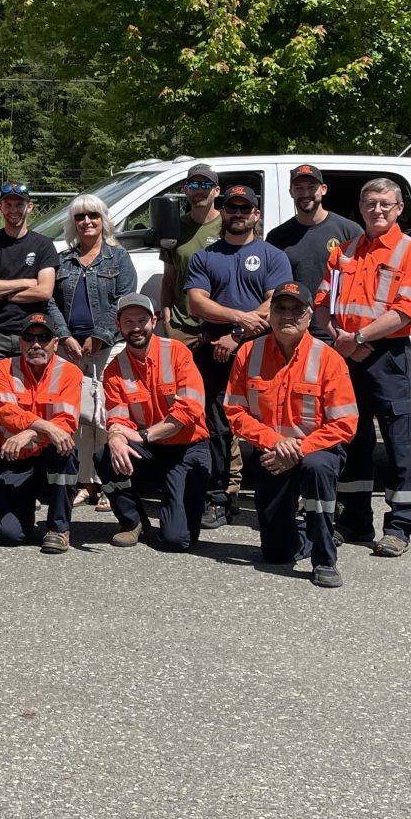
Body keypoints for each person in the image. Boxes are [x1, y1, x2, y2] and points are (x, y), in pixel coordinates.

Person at [319, 177, 411, 557]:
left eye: (385, 204)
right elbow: (322, 301)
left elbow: (405, 311)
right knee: (352, 438)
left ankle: (400, 526)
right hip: (346, 355)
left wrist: (359, 339)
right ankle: (354, 520)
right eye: (371, 203)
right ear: (361, 207)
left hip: (387, 356)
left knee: (400, 442)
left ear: (399, 208)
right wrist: (341, 339)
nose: (377, 210)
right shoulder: (345, 251)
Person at [224, 283, 360, 588]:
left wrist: (299, 450)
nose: (288, 316)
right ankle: (304, 535)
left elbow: (345, 423)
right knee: (275, 553)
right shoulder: (249, 353)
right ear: (269, 315)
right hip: (272, 453)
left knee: (316, 469)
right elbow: (235, 411)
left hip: (317, 451)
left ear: (309, 315)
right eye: (280, 309)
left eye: (296, 310)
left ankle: (324, 559)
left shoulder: (328, 359)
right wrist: (276, 444)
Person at [185, 183, 293, 530]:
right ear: (223, 211)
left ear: (256, 215)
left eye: (245, 209)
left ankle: (274, 499)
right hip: (214, 353)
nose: (238, 214)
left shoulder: (272, 255)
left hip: (262, 353)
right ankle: (220, 498)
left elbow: (274, 303)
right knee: (216, 427)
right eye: (232, 208)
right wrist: (240, 319)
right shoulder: (206, 256)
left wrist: (236, 334)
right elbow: (197, 302)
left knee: (268, 423)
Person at [95, 292, 210, 551]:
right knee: (105, 455)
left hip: (187, 447)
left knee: (177, 540)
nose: (135, 327)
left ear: (154, 321)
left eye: (141, 320)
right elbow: (117, 417)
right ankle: (132, 521)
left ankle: (176, 510)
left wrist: (145, 436)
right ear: (119, 326)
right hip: (150, 447)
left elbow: (189, 410)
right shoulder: (115, 369)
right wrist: (115, 436)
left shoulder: (178, 352)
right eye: (128, 322)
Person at [48, 192, 137, 506]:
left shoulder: (119, 258)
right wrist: (65, 336)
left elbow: (124, 298)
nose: (87, 222)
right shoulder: (64, 260)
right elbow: (50, 301)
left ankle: (109, 483)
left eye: (93, 216)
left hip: (108, 346)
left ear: (103, 220)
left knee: (105, 414)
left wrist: (100, 335)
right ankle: (85, 482)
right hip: (71, 349)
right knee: (76, 416)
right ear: (73, 223)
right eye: (80, 217)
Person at [0, 312, 83, 553]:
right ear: (20, 342)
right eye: (29, 337)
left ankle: (59, 529)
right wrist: (44, 426)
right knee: (8, 535)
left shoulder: (70, 373)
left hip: (50, 457)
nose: (36, 344)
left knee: (66, 450)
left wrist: (29, 432)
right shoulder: (2, 369)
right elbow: (6, 413)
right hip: (15, 459)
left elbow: (66, 423)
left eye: (44, 337)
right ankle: (25, 508)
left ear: (56, 343)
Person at [0, 180, 58, 381]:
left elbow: (44, 291)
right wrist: (27, 282)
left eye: (19, 204)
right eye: (8, 204)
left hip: (32, 336)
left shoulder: (43, 245)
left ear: (30, 207)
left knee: (29, 394)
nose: (13, 210)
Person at [265, 164, 362, 337]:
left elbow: (362, 283)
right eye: (299, 188)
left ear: (323, 189)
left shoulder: (350, 232)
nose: (305, 193)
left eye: (311, 187)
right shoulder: (277, 237)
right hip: (292, 330)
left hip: (336, 331)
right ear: (291, 192)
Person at [160, 162, 225, 343]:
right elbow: (169, 278)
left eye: (205, 185)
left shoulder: (230, 225)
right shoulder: (173, 227)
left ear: (217, 190)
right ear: (186, 190)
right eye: (194, 185)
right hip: (182, 327)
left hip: (221, 326)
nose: (199, 191)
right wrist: (166, 315)